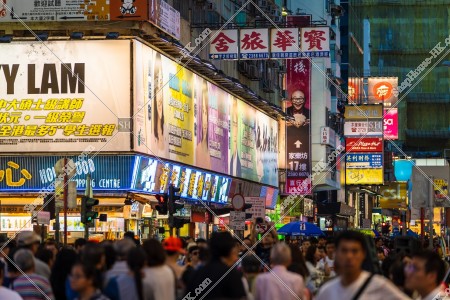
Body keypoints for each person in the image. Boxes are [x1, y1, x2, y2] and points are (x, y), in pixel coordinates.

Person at [315, 231, 409, 300]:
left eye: (354, 251)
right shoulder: (326, 291)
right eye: (344, 251)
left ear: (363, 254)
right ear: (337, 253)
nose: (349, 256)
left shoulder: (380, 286)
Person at [186, 232, 246, 299]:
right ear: (229, 250)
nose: (236, 256)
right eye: (234, 249)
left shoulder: (198, 273)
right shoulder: (231, 274)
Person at [151, 52, 168, 158]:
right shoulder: (149, 137)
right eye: (158, 88)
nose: (160, 97)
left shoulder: (167, 131)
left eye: (162, 85)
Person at [196, 80, 212, 169]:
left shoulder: (211, 153)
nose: (204, 117)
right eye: (202, 111)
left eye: (206, 112)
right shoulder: (198, 149)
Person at [229, 98, 242, 177]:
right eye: (233, 123)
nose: (234, 128)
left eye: (236, 124)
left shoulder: (240, 164)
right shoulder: (227, 162)